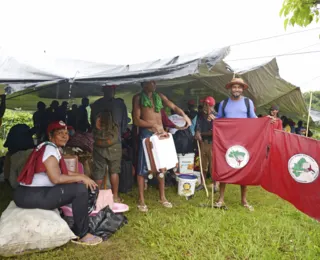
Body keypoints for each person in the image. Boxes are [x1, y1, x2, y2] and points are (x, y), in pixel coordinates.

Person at [14, 121, 102, 246]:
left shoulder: (49, 147)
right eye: (60, 133)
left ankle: (75, 223)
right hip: (30, 195)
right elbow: (56, 178)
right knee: (80, 190)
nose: (65, 136)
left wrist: (82, 176)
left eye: (66, 133)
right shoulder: (50, 149)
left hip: (27, 194)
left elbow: (62, 171)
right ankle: (83, 234)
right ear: (50, 136)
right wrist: (81, 179)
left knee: (77, 185)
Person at [213, 78, 274, 211]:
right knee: (225, 165)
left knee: (243, 166)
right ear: (230, 88)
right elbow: (219, 119)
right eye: (234, 87)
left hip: (244, 139)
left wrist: (265, 120)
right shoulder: (223, 103)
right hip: (227, 140)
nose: (236, 89)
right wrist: (213, 119)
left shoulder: (247, 102)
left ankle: (244, 200)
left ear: (242, 89)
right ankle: (221, 198)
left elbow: (253, 119)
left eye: (239, 87)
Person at [132, 80, 191, 212]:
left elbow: (174, 107)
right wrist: (152, 126)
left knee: (162, 166)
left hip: (161, 134)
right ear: (143, 84)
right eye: (151, 82)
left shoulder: (159, 96)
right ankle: (141, 200)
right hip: (147, 134)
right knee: (143, 167)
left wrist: (185, 116)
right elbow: (136, 120)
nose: (154, 84)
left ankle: (162, 197)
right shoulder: (137, 98)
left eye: (155, 82)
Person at [90, 85, 128, 202]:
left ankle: (97, 198)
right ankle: (115, 196)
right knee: (114, 171)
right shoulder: (119, 104)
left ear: (103, 90)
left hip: (99, 143)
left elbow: (91, 122)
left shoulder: (96, 104)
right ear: (114, 90)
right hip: (114, 143)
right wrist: (118, 136)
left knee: (98, 172)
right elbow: (125, 124)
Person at [194, 96, 219, 192]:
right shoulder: (200, 115)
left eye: (205, 104)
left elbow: (214, 132)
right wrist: (197, 132)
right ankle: (202, 183)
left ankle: (215, 185)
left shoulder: (216, 116)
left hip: (212, 144)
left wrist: (201, 133)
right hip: (202, 143)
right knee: (202, 165)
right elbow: (197, 126)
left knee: (213, 166)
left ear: (209, 105)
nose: (203, 106)